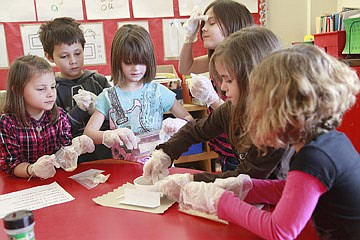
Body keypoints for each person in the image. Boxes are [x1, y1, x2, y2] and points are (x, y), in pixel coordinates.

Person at [179, 45, 360, 239]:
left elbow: (279, 231)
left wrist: (221, 201)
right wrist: (244, 187)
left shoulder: (313, 159)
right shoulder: (330, 141)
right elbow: (290, 189)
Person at [143, 26, 294, 196]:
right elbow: (196, 130)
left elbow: (246, 178)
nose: (222, 87)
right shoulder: (231, 109)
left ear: (255, 78)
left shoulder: (276, 127)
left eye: (228, 80)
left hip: (276, 201)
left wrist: (192, 181)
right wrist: (165, 152)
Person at [84, 24, 193, 163]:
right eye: (129, 62)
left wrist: (178, 123)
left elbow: (189, 119)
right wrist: (109, 135)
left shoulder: (157, 92)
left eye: (141, 62)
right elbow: (89, 133)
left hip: (159, 163)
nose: (136, 68)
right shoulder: (108, 96)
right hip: (124, 167)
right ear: (118, 62)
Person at [179, 0, 254, 172]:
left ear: (234, 26)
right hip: (225, 150)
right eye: (203, 23)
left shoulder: (244, 66)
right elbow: (185, 67)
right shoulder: (215, 60)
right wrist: (189, 37)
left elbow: (241, 120)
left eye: (211, 23)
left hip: (241, 153)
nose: (204, 28)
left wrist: (212, 99)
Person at [0, 55, 95, 179]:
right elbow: (11, 164)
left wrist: (77, 148)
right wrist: (32, 169)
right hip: (21, 184)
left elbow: (63, 153)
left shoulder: (59, 116)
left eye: (52, 87)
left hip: (55, 181)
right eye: (41, 89)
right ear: (18, 90)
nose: (50, 94)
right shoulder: (7, 123)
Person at [38, 17, 112, 163]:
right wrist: (78, 110)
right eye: (64, 56)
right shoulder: (52, 90)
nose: (73, 60)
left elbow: (119, 116)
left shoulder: (99, 81)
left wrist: (98, 107)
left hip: (106, 155)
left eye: (77, 53)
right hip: (72, 161)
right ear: (49, 56)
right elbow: (55, 132)